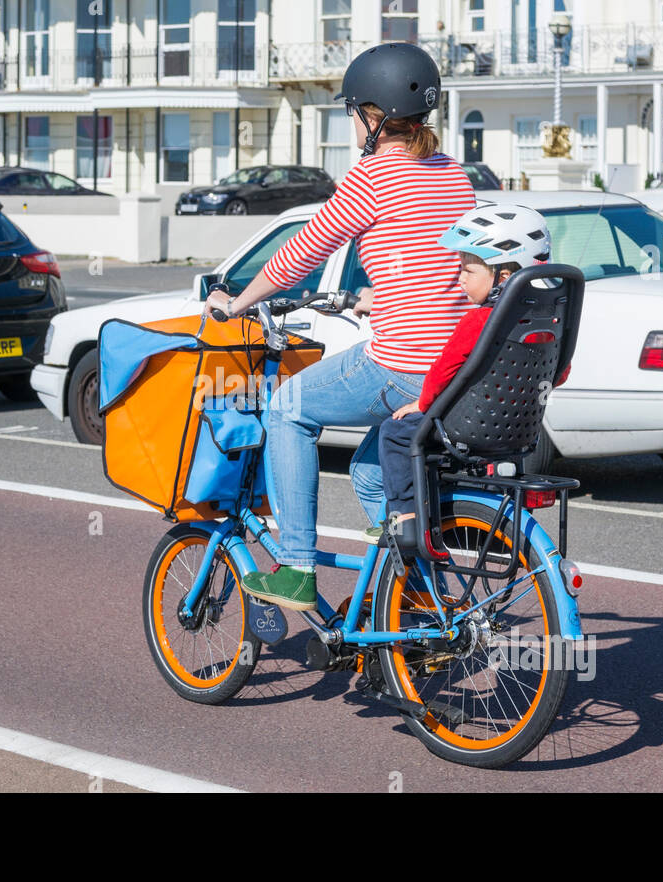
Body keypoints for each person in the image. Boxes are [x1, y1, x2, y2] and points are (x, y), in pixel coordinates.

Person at [203, 42, 475, 612]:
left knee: (286, 408)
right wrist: (382, 296)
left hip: (399, 366)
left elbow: (301, 253)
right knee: (371, 478)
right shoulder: (453, 174)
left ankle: (298, 567)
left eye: (351, 110)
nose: (349, 121)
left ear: (371, 115)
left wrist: (235, 302)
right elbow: (442, 262)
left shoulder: (371, 176)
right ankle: (414, 600)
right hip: (451, 372)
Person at [370, 204, 556, 548]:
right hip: (521, 428)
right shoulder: (549, 321)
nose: (460, 280)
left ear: (502, 276)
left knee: (396, 433)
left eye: (468, 271)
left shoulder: (477, 321)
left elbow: (445, 369)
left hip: (469, 424)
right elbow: (560, 371)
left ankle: (405, 521)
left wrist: (423, 402)